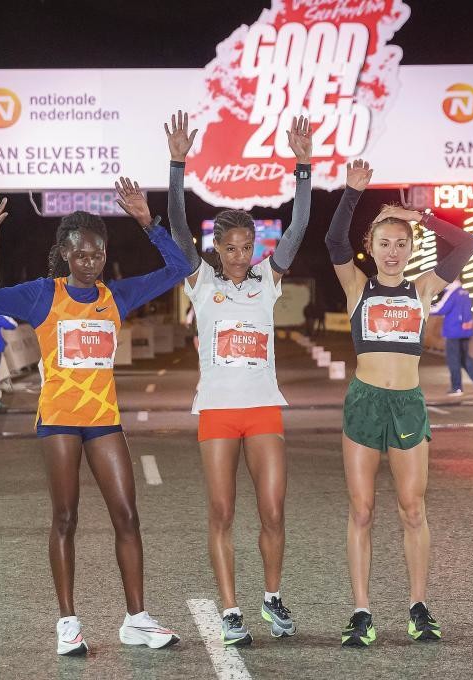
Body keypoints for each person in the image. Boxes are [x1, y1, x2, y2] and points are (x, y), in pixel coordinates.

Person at [0, 188, 190, 655]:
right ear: (64, 253)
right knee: (65, 517)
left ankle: (136, 620)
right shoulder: (43, 295)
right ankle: (67, 623)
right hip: (60, 420)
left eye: (98, 254)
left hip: (103, 419)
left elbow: (180, 268)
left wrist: (149, 224)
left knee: (127, 515)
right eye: (81, 254)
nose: (90, 262)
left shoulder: (116, 295)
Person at [166, 110, 312, 645]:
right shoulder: (201, 281)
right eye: (229, 247)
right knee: (222, 512)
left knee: (273, 510)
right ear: (216, 249)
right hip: (217, 411)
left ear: (254, 248)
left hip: (263, 407)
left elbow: (298, 227)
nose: (237, 255)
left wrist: (302, 167)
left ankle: (271, 597)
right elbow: (177, 225)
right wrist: (178, 165)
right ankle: (231, 610)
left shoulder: (266, 280)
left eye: (245, 247)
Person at [325, 159, 473, 647]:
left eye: (401, 244)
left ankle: (418, 607)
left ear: (411, 249)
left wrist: (420, 217)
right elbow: (333, 241)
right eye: (384, 243)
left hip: (408, 403)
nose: (393, 252)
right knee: (362, 510)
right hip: (365, 402)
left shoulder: (424, 288)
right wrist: (352, 194)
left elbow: (466, 244)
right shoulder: (356, 286)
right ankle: (361, 612)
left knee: (413, 508)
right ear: (370, 248)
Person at [430, 279, 473, 396]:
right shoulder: (465, 292)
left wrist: (425, 309)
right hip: (465, 331)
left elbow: (441, 309)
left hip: (453, 331)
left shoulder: (451, 292)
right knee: (465, 358)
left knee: (453, 359)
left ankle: (456, 387)